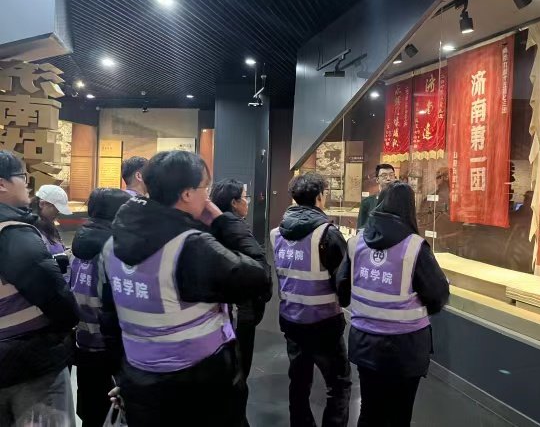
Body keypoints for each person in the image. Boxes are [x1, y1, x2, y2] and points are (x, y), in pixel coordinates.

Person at [99, 150, 270, 426]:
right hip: (200, 388)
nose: (208, 197)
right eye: (205, 188)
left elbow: (109, 317)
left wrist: (124, 377)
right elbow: (259, 278)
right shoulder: (190, 246)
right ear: (187, 194)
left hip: (139, 381)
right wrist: (224, 222)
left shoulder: (112, 243)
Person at [336, 181, 450, 427]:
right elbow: (437, 295)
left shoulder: (357, 243)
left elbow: (342, 288)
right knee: (400, 414)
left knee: (369, 410)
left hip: (365, 341)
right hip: (405, 348)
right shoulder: (414, 246)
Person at [0, 150, 79, 426]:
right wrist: (70, 320)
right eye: (23, 177)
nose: (27, 185)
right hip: (27, 364)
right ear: (2, 184)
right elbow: (55, 297)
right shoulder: (12, 233)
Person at [271, 173, 351, 427]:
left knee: (299, 382)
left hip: (291, 320)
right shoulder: (328, 234)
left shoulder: (277, 234)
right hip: (324, 322)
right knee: (338, 385)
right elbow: (343, 282)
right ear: (319, 197)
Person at [70, 188, 131, 427]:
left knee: (90, 408)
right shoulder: (113, 250)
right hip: (109, 346)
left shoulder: (79, 242)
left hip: (84, 340)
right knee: (112, 411)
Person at [209, 179, 272, 380]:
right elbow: (258, 263)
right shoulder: (232, 224)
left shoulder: (212, 222)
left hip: (222, 305)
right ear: (234, 202)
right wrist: (263, 293)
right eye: (245, 198)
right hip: (241, 305)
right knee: (240, 362)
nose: (247, 202)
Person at [30, 184, 72, 267]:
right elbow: (36, 263)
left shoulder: (49, 224)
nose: (57, 213)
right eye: (56, 209)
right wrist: (62, 258)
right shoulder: (31, 229)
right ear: (42, 204)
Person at [356, 164, 396, 229]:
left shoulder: (401, 201)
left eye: (391, 175)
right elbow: (360, 228)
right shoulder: (367, 202)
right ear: (377, 179)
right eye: (384, 175)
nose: (388, 178)